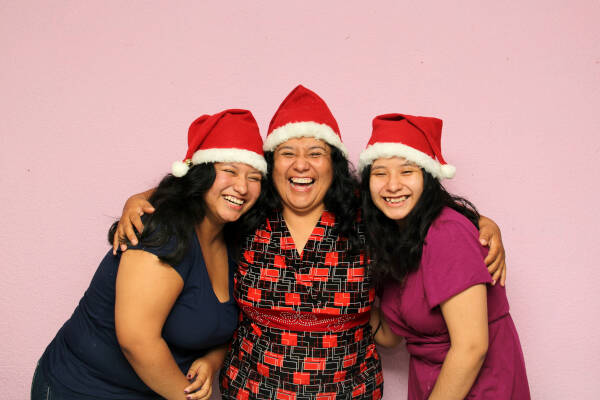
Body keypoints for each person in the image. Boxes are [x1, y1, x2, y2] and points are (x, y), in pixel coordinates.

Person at [115, 86, 507, 399]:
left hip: (351, 390)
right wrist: (145, 198)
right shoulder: (247, 212)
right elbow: (203, 191)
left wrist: (481, 223)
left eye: (315, 153)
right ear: (271, 166)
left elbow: (424, 212)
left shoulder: (366, 213)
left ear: (333, 164)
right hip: (252, 388)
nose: (301, 164)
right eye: (288, 153)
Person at [31, 109, 268, 400]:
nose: (242, 187)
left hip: (156, 391)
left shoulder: (235, 239)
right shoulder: (162, 232)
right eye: (229, 170)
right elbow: (137, 341)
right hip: (84, 388)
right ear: (202, 173)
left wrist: (211, 360)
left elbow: (228, 321)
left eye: (254, 177)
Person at [360, 114, 530, 399]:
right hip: (431, 384)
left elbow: (472, 346)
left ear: (427, 178)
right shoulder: (395, 239)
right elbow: (390, 336)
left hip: (482, 387)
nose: (392, 185)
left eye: (406, 171)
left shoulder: (447, 232)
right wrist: (339, 300)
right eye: (380, 173)